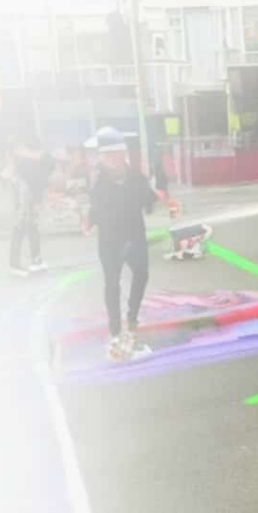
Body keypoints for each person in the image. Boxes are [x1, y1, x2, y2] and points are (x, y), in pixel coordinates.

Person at [81, 127, 178, 361]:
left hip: (135, 236)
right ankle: (115, 331)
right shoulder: (98, 182)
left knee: (141, 274)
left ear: (123, 153)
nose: (113, 159)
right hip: (110, 241)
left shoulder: (136, 177)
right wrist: (88, 222)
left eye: (117, 153)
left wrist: (167, 201)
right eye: (107, 155)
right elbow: (95, 208)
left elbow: (149, 199)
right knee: (112, 283)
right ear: (102, 158)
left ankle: (132, 316)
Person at [8, 137, 54, 276]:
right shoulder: (31, 161)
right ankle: (15, 263)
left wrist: (38, 200)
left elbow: (39, 180)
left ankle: (36, 260)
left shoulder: (40, 160)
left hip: (29, 194)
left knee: (32, 226)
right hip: (25, 194)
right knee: (21, 226)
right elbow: (31, 180)